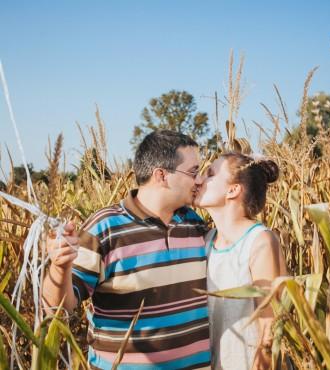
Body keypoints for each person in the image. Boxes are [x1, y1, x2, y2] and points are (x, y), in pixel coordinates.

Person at [42, 130, 211, 369]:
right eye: (193, 172)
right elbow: (57, 306)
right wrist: (59, 268)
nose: (199, 180)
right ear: (162, 175)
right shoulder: (104, 228)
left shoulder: (194, 222)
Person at [194, 152, 287, 370]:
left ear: (233, 190)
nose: (199, 180)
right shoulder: (207, 242)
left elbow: (270, 327)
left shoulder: (259, 241)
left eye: (210, 174)